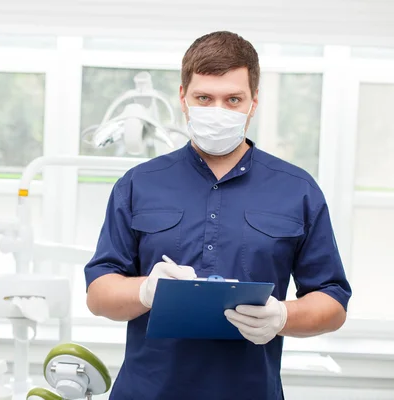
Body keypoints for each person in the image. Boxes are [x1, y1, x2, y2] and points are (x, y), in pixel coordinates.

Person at [84, 31, 352, 400]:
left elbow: (333, 302)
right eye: (204, 98)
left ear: (253, 102)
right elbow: (99, 294)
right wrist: (146, 290)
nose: (218, 111)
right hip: (146, 391)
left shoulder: (297, 189)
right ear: (183, 97)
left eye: (233, 99)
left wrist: (282, 317)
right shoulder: (138, 184)